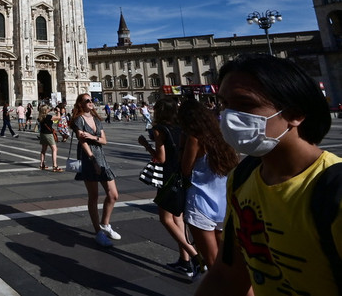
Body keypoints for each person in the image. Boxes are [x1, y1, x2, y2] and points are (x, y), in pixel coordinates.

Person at [196, 54, 342, 295]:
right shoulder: (243, 177)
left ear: (295, 113)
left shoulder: (333, 190)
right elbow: (227, 275)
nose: (229, 118)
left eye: (245, 105)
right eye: (224, 105)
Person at [138, 97, 202, 278]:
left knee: (166, 219)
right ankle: (185, 261)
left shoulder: (159, 130)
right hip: (181, 175)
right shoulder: (181, 127)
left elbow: (161, 158)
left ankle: (196, 257)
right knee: (178, 219)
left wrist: (145, 145)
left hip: (168, 178)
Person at [178, 98, 238, 270]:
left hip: (201, 203)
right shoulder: (220, 136)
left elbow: (185, 169)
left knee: (212, 263)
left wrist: (182, 145)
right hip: (223, 204)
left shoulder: (195, 138)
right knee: (225, 258)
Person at [70, 93, 120, 247]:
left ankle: (105, 224)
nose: (91, 102)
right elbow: (82, 141)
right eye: (88, 101)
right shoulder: (78, 120)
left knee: (113, 195)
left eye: (92, 100)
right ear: (80, 104)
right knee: (94, 196)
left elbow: (104, 140)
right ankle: (98, 232)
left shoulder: (97, 120)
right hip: (89, 158)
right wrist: (92, 159)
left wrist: (93, 138)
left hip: (101, 157)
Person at [38, 105, 62, 171]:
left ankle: (42, 164)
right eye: (47, 108)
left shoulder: (40, 117)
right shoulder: (49, 117)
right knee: (54, 149)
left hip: (42, 134)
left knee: (43, 150)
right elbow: (59, 117)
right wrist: (59, 111)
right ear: (45, 110)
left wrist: (52, 110)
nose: (49, 109)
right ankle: (55, 166)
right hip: (48, 134)